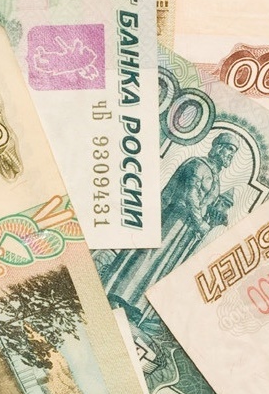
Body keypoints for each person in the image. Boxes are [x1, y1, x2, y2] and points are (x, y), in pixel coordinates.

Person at [100, 131, 241, 317]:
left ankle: (133, 304)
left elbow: (206, 203)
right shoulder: (198, 165)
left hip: (186, 228)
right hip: (172, 217)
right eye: (229, 149)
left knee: (162, 264)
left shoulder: (216, 179)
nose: (231, 155)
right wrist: (200, 223)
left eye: (234, 151)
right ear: (218, 148)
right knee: (148, 256)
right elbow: (190, 195)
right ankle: (117, 296)